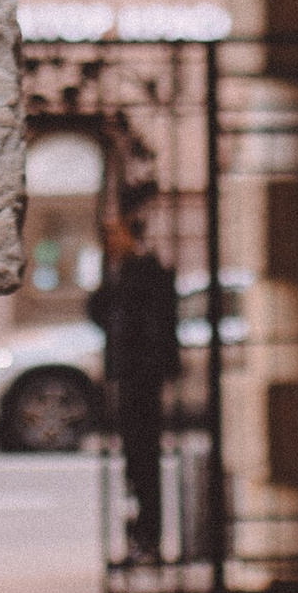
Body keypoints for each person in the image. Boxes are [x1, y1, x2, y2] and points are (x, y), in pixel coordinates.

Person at [91, 202, 181, 561]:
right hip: (130, 375)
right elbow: (98, 310)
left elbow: (153, 323)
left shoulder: (145, 271)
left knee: (144, 459)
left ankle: (148, 537)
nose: (109, 241)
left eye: (115, 233)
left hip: (143, 377)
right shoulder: (121, 271)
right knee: (133, 459)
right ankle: (140, 535)